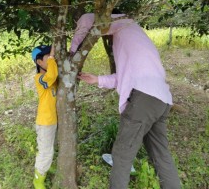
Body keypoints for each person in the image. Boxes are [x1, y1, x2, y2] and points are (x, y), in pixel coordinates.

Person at [71, 13, 181, 189]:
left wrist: (72, 51)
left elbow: (86, 18)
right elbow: (127, 76)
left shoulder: (121, 24)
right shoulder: (136, 34)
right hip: (162, 99)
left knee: (122, 156)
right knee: (161, 155)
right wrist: (97, 79)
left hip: (143, 98)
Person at [31, 44, 58, 189]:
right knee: (45, 152)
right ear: (39, 62)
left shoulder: (51, 75)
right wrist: (53, 58)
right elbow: (52, 76)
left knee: (48, 149)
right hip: (45, 122)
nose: (52, 58)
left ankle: (44, 169)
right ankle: (38, 180)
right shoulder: (40, 78)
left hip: (52, 121)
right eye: (48, 56)